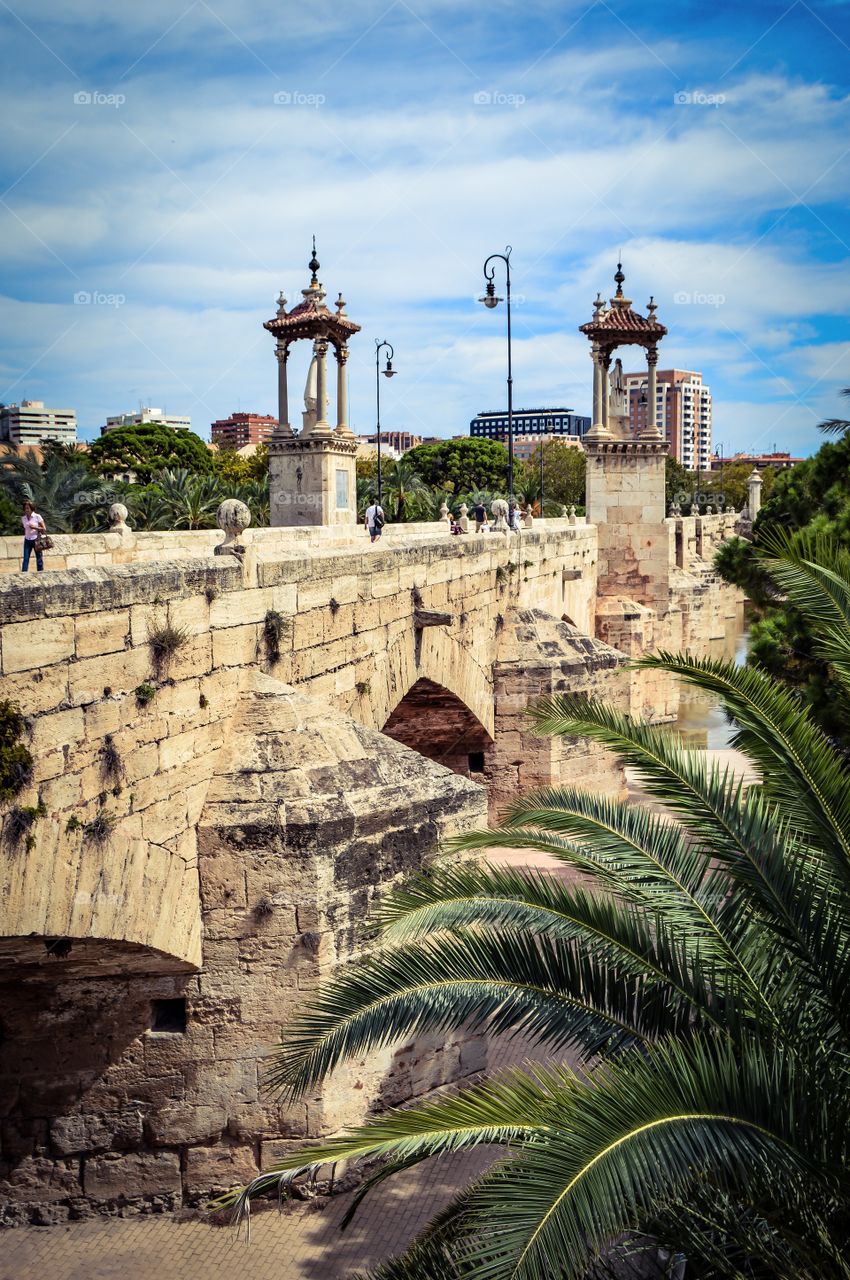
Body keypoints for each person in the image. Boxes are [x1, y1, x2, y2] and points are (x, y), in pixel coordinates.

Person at [21, 501, 47, 572]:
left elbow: (44, 529)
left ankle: (40, 573)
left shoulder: (37, 516)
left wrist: (35, 528)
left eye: (28, 508)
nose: (26, 510)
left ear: (31, 508)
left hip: (36, 539)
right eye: (25, 508)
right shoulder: (23, 518)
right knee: (26, 558)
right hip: (27, 540)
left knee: (39, 558)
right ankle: (24, 573)